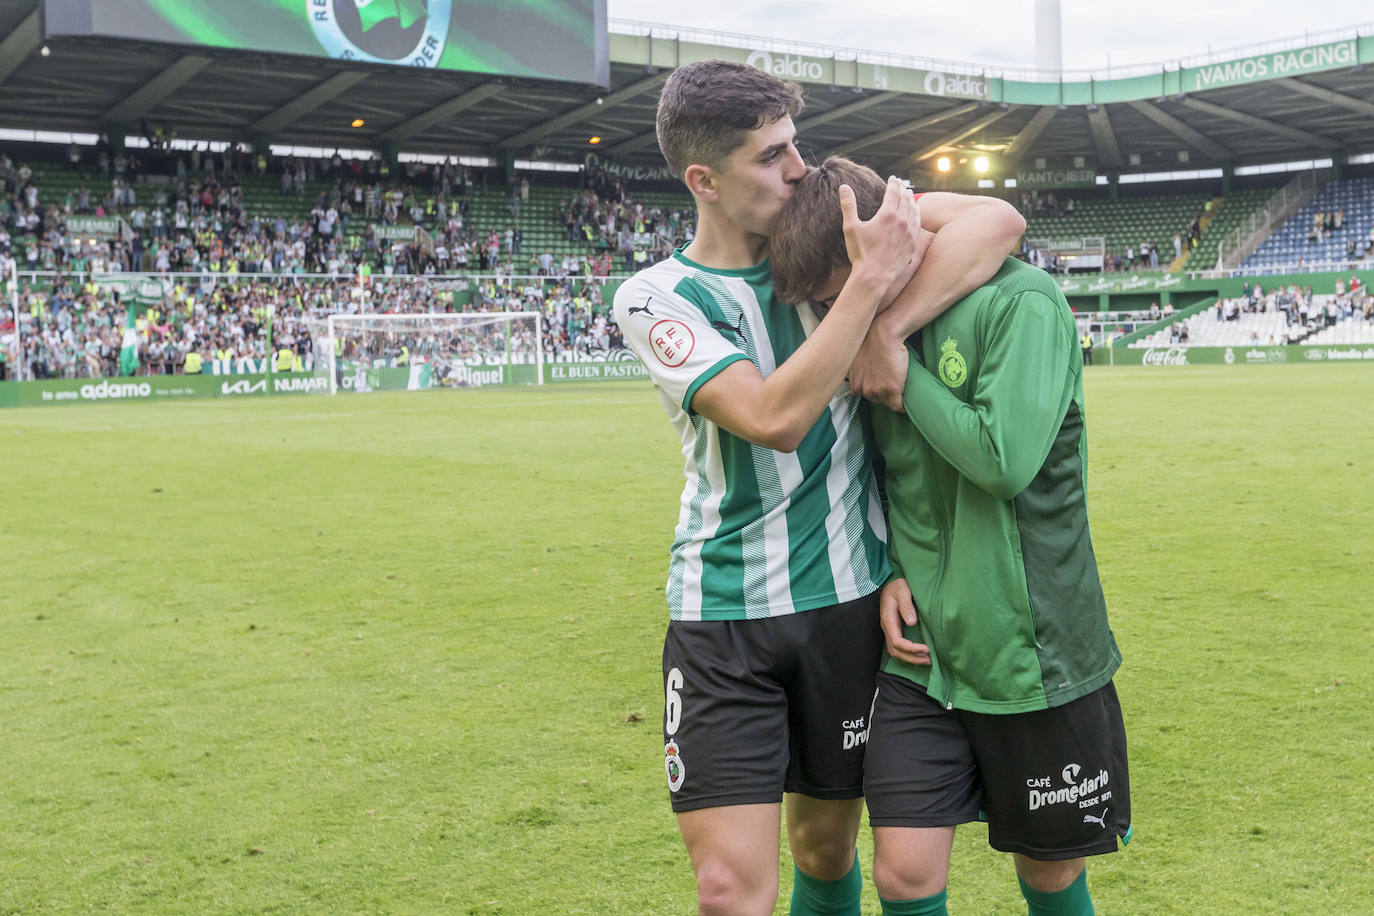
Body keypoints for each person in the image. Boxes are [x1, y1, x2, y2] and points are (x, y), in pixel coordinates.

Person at [613, 61, 1023, 916]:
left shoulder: (830, 237)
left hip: (846, 604)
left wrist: (890, 328)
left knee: (825, 845)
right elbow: (772, 417)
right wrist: (870, 289)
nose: (797, 169)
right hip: (721, 617)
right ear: (706, 181)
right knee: (729, 891)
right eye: (770, 157)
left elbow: (997, 220)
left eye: (794, 145)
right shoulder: (656, 297)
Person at [771, 156, 1129, 916]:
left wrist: (903, 376)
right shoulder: (859, 338)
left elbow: (1003, 462)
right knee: (903, 874)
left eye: (843, 292)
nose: (843, 313)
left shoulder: (1022, 301)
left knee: (1051, 873)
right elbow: (877, 476)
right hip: (921, 661)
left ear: (888, 250)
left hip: (1036, 654)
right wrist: (893, 568)